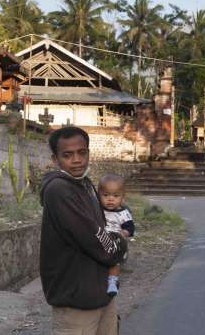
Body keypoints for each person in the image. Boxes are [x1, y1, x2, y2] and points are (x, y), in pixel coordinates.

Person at [40, 126, 127, 335]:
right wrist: (120, 242)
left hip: (100, 293)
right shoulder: (60, 190)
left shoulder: (85, 184)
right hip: (75, 301)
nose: (77, 160)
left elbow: (101, 226)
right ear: (55, 159)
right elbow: (96, 239)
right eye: (67, 155)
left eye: (82, 152)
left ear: (88, 152)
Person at [98, 174, 135, 297]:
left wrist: (124, 233)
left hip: (116, 242)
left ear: (122, 197)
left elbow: (130, 227)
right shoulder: (97, 209)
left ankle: (113, 281)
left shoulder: (123, 213)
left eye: (115, 196)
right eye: (106, 195)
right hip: (99, 240)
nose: (110, 199)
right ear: (99, 195)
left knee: (114, 263)